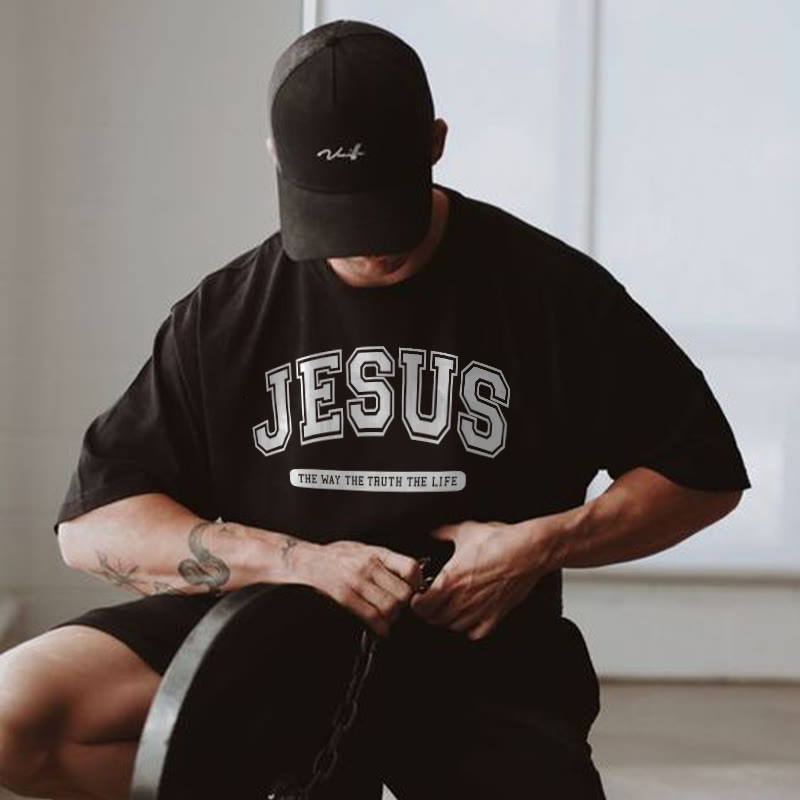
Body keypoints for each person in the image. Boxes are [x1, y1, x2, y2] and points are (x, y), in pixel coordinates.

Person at [0, 18, 751, 800]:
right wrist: (297, 562)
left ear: (436, 143)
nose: (365, 249)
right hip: (273, 643)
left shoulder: (555, 295)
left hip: (482, 663)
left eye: (382, 209)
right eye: (336, 215)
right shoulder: (225, 314)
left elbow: (702, 474)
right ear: (277, 158)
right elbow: (92, 526)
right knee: (11, 716)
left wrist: (539, 545)